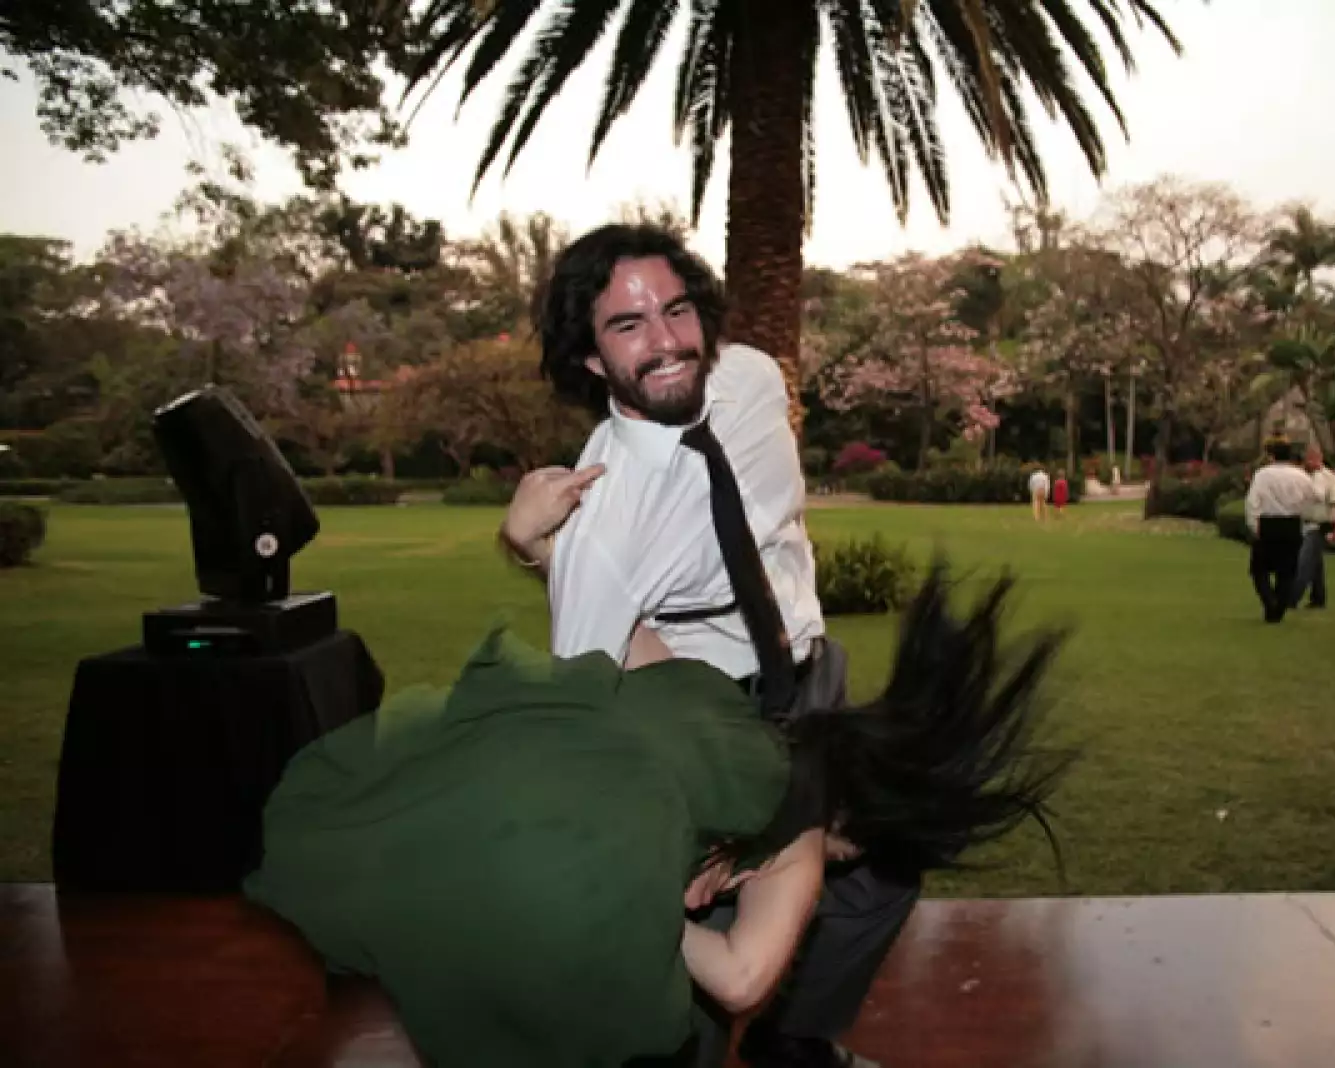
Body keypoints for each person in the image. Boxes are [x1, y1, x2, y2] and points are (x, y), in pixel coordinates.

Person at [244, 566, 1068, 1068]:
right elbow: (743, 978)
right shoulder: (810, 850)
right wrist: (651, 907)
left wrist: (544, 548)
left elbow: (631, 635)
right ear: (868, 832)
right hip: (551, 920)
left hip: (491, 820)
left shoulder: (735, 718)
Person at [497, 223, 912, 1068]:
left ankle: (797, 1046)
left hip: (809, 670)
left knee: (885, 870)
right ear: (589, 357)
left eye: (676, 309)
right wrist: (540, 549)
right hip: (705, 716)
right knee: (703, 952)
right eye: (628, 325)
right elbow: (587, 699)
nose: (666, 341)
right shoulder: (604, 519)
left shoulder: (750, 379)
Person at [1244, 439, 1315, 623]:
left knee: (1259, 569)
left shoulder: (1263, 475)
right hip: (1291, 523)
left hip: (1269, 523)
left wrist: (1254, 524)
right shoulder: (1301, 476)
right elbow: (1310, 500)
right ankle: (1279, 606)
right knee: (1287, 570)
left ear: (1272, 456)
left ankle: (1270, 602)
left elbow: (1253, 502)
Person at [1291, 445, 1335, 610]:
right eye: (1308, 458)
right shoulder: (1300, 476)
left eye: (1314, 458)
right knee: (1315, 562)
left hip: (1320, 524)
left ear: (1320, 459)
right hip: (1303, 523)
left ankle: (1291, 597)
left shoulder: (1328, 477)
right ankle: (1318, 597)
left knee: (1305, 561)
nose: (1311, 462)